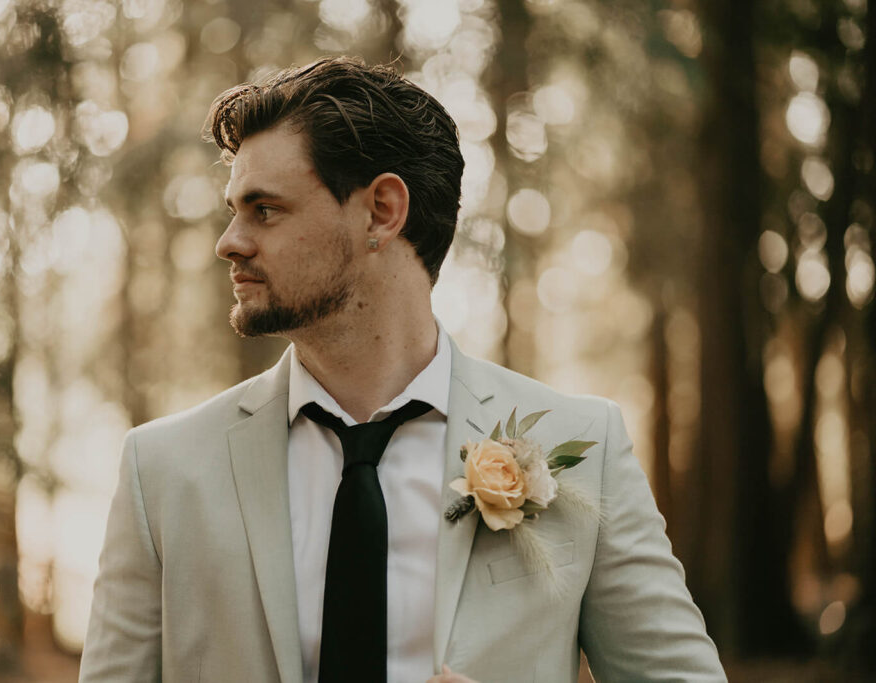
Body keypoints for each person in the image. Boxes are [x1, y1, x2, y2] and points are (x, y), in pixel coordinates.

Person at [78, 57, 726, 683]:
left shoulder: (579, 448)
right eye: (233, 210)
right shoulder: (161, 472)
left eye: (265, 209)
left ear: (382, 211)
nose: (230, 241)